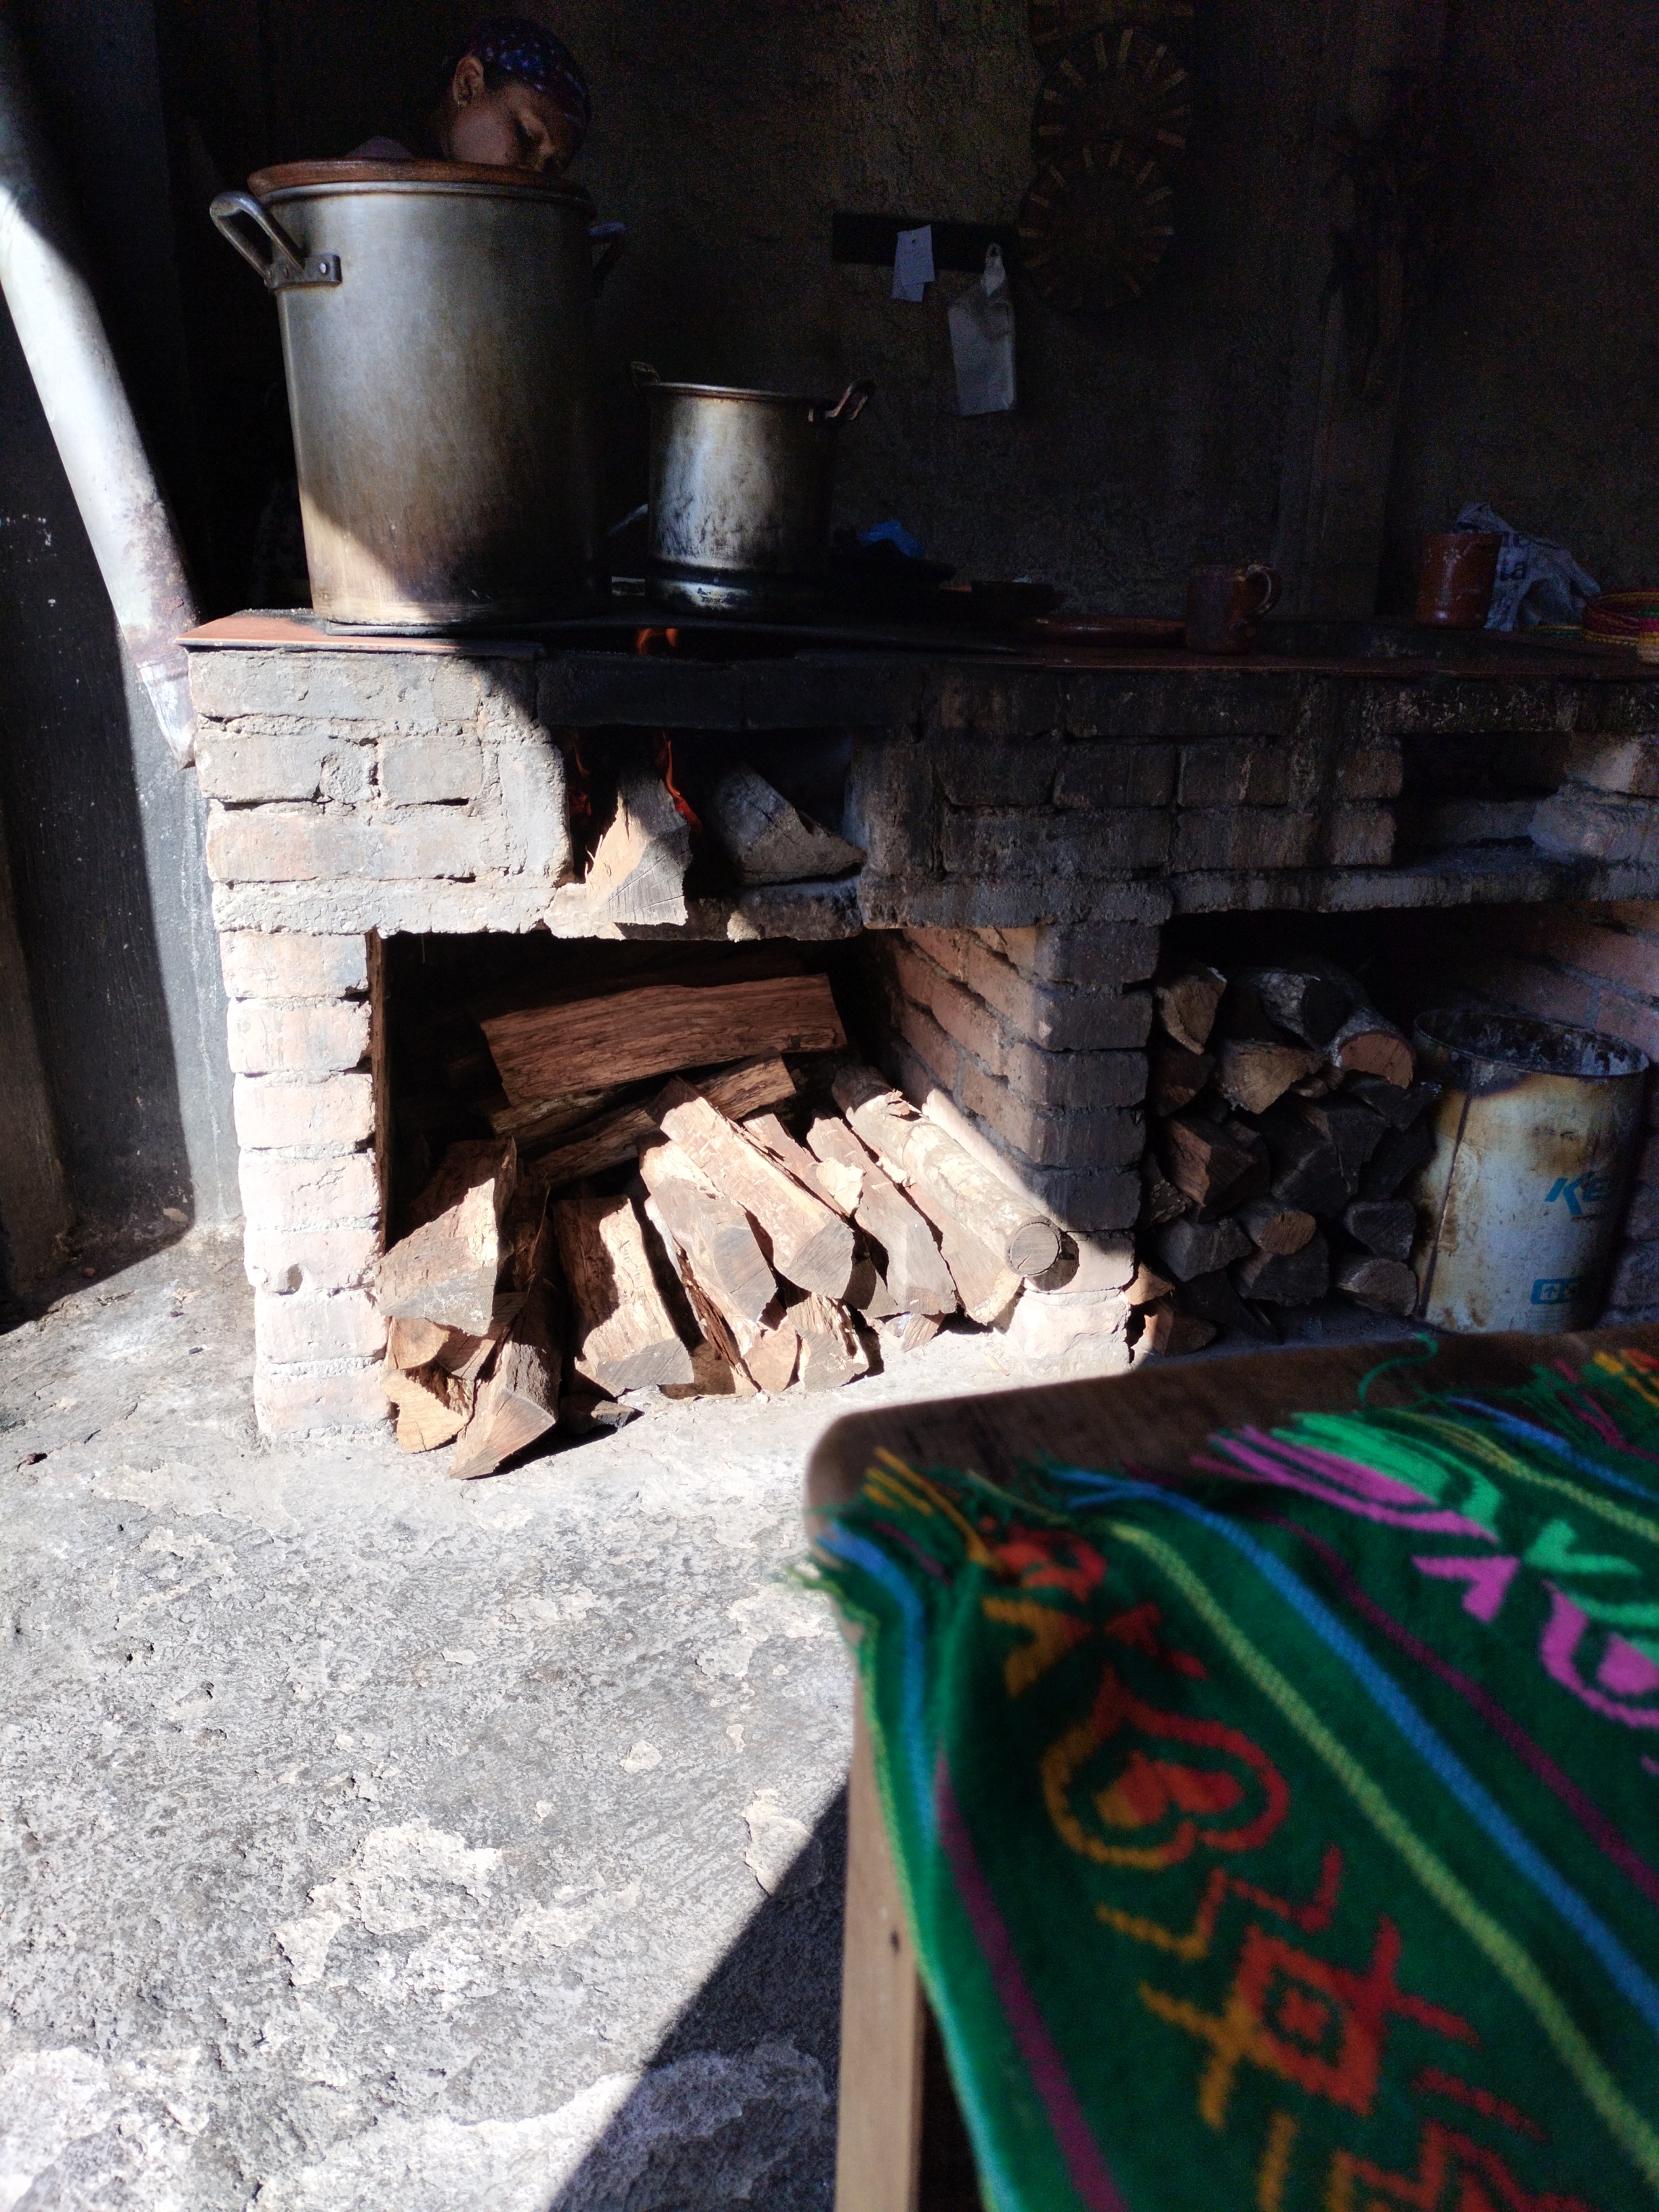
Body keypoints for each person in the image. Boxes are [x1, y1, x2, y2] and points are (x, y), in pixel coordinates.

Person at [353, 15, 592, 174]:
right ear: (467, 84)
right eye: (525, 134)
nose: (534, 173)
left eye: (550, 168)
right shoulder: (375, 177)